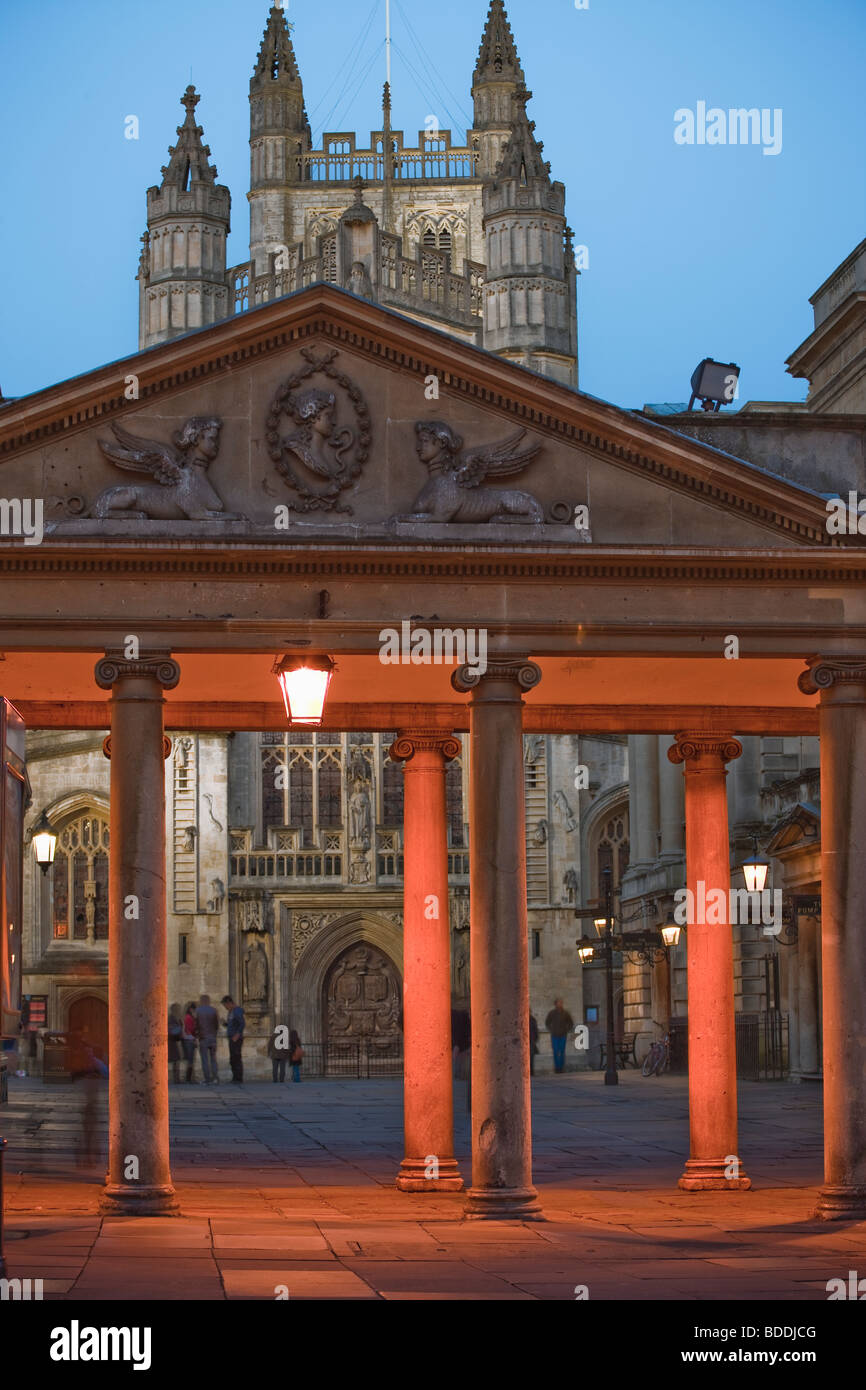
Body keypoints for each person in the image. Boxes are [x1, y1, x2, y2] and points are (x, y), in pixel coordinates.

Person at [545, 998, 574, 1074]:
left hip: (563, 1035)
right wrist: (551, 1029)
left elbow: (570, 1023)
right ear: (555, 1004)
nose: (559, 1004)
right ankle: (557, 1067)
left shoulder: (565, 1013)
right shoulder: (552, 1013)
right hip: (554, 1035)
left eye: (561, 1003)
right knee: (555, 1051)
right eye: (558, 1003)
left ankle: (561, 1067)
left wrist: (566, 1030)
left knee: (562, 1051)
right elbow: (547, 1022)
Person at [222, 995, 245, 1084]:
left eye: (225, 1005)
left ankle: (238, 1078)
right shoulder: (231, 1012)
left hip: (236, 1039)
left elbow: (242, 1024)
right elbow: (233, 1024)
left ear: (229, 1003)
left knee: (236, 1057)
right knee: (233, 1058)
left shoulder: (237, 1011)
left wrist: (237, 1034)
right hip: (231, 1038)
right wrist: (225, 1024)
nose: (225, 1007)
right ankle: (235, 1077)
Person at [197, 994, 220, 1084]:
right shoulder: (214, 1010)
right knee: (213, 1058)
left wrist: (198, 1035)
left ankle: (207, 1078)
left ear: (201, 1001)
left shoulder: (198, 1011)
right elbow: (216, 1025)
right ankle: (215, 1077)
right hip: (212, 1038)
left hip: (203, 1038)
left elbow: (197, 1025)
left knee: (205, 1059)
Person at [182, 1001, 198, 1083]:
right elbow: (189, 1030)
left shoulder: (189, 1017)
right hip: (189, 1040)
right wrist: (194, 1039)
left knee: (191, 1060)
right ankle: (188, 1079)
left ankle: (190, 1078)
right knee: (190, 1060)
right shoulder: (188, 1017)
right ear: (191, 1009)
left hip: (190, 1039)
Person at [168, 1003, 183, 1084]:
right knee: (176, 1060)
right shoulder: (171, 1018)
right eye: (178, 1009)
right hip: (171, 1042)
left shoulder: (174, 1018)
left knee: (176, 1060)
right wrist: (180, 1028)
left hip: (173, 1042)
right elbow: (173, 1030)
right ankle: (176, 1079)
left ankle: (176, 1078)